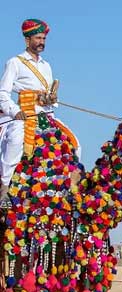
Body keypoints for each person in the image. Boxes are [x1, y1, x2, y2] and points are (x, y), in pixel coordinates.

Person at [0, 19, 80, 208]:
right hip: (24, 115)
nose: (42, 41)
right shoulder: (15, 62)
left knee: (74, 143)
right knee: (15, 141)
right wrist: (15, 111)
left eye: (43, 38)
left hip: (46, 115)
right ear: (28, 40)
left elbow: (48, 96)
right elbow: (2, 93)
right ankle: (3, 189)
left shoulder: (46, 65)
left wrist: (51, 99)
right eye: (38, 37)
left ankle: (70, 189)